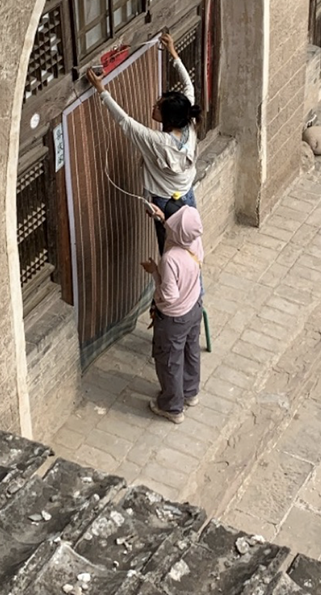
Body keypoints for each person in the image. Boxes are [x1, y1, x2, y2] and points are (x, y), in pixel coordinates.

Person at [86, 33, 201, 254]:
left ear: (168, 118)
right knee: (191, 247)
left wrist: (101, 90)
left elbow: (126, 122)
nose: (153, 107)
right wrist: (173, 53)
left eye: (158, 107)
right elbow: (189, 87)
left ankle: (173, 278)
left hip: (166, 203)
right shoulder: (188, 122)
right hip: (186, 195)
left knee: (171, 254)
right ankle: (193, 277)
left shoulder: (159, 142)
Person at [141, 205, 204, 424]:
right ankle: (190, 392)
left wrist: (155, 273)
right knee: (191, 350)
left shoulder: (170, 259)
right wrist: (161, 218)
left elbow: (169, 296)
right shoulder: (194, 241)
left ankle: (172, 407)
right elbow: (179, 232)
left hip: (174, 317)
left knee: (169, 360)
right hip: (194, 306)